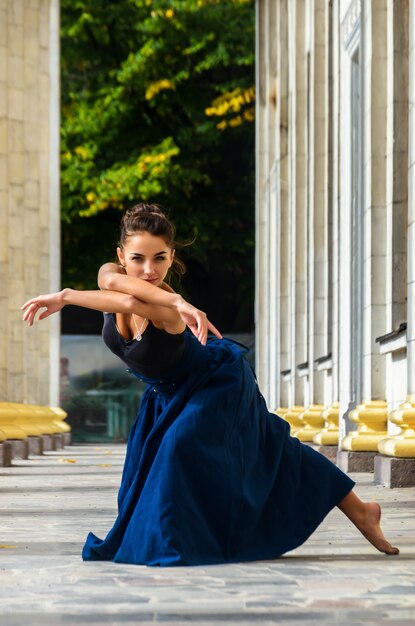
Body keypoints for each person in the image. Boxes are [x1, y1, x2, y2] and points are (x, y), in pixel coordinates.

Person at [21, 204, 399, 566]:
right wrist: (66, 296)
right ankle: (362, 510)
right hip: (168, 390)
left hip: (215, 380)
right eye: (137, 258)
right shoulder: (112, 277)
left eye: (160, 258)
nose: (149, 270)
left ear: (172, 257)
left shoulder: (168, 309)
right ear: (121, 255)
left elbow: (137, 304)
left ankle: (180, 540)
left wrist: (177, 303)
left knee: (182, 448)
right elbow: (112, 285)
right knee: (269, 443)